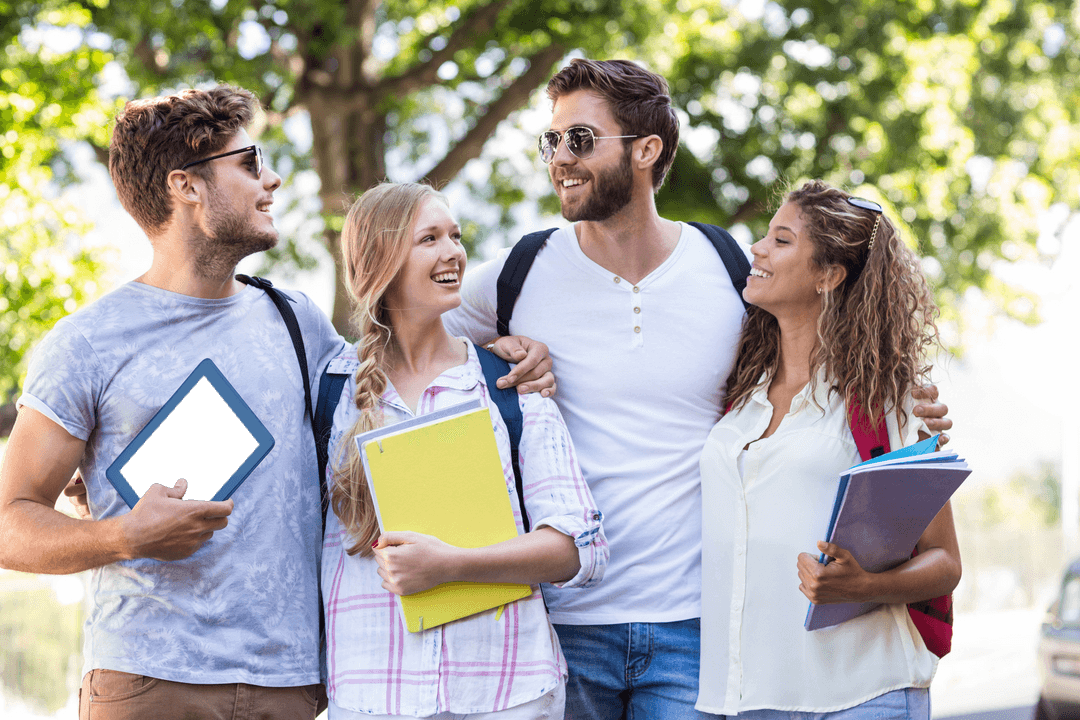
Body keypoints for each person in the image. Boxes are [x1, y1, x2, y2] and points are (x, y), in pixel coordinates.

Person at [0, 86, 550, 720]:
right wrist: (124, 535)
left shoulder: (298, 323)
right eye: (250, 162)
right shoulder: (88, 344)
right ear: (187, 186)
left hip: (290, 687)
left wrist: (497, 346)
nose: (274, 179)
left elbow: (397, 368)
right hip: (151, 678)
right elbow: (12, 522)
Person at [442, 58, 953, 720]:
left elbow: (826, 344)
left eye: (580, 139)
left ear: (646, 150)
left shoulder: (732, 269)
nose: (559, 157)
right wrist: (489, 352)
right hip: (559, 623)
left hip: (698, 634)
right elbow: (400, 349)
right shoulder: (516, 274)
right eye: (552, 140)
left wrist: (906, 394)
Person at [319, 181, 607, 720]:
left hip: (508, 696)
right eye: (428, 238)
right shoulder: (329, 392)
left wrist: (452, 565)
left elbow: (581, 548)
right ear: (380, 259)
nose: (454, 251)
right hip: (372, 697)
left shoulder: (506, 385)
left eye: (454, 235)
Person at [695, 180, 962, 718]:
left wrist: (867, 584)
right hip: (748, 697)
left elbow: (945, 563)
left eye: (782, 240)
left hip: (862, 691)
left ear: (828, 275)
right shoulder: (740, 396)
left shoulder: (887, 400)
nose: (758, 249)